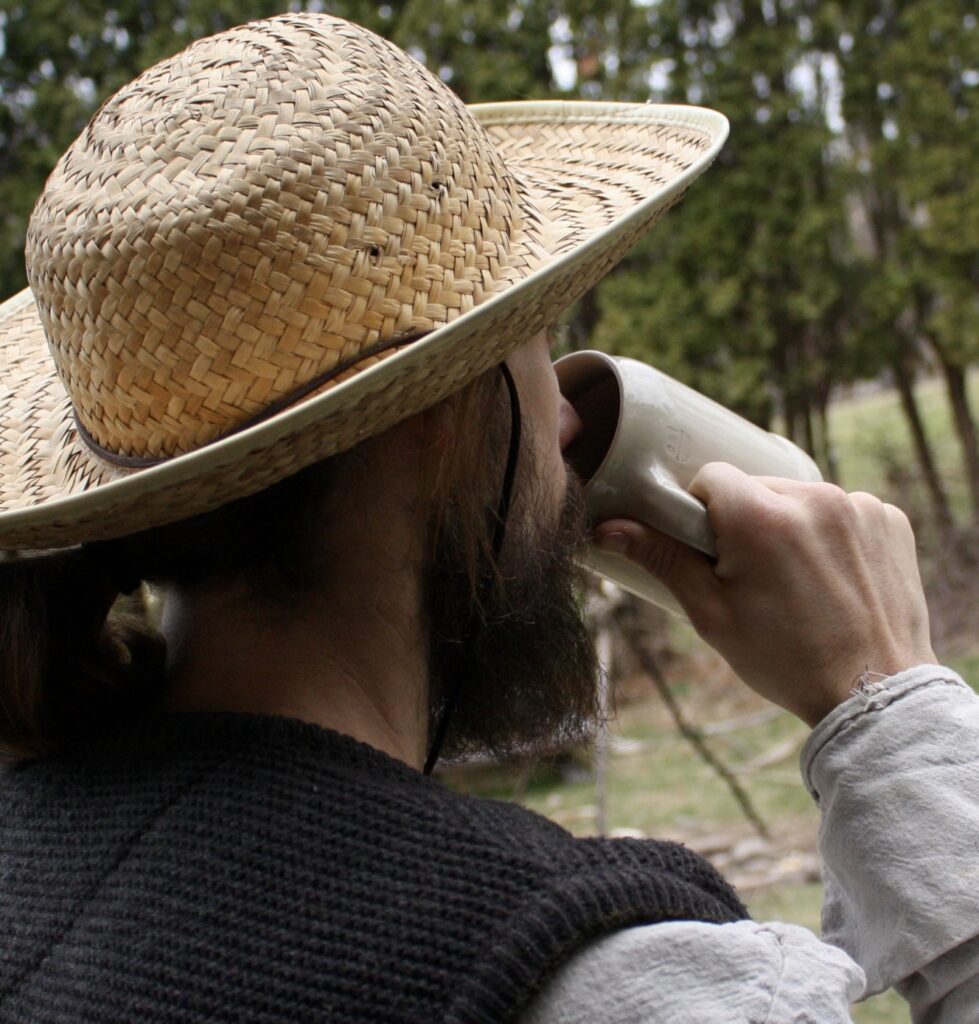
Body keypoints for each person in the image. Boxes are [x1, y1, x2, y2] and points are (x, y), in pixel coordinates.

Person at [0, 12, 976, 1024]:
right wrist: (891, 706)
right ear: (440, 417)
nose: (562, 414)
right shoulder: (602, 983)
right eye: (534, 342)